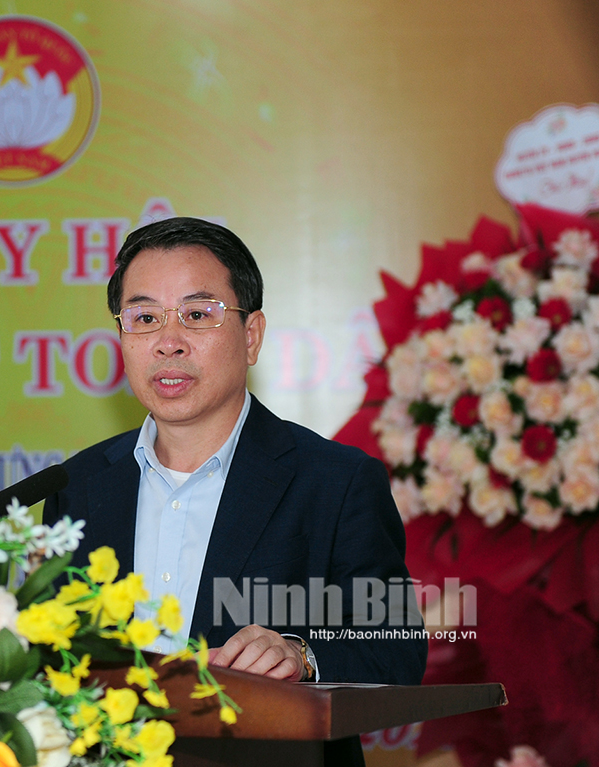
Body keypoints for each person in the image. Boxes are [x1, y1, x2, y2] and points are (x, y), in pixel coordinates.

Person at [42, 218, 426, 759]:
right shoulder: (78, 486)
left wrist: (302, 655)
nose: (168, 343)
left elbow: (395, 649)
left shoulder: (335, 482)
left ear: (251, 336)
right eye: (145, 318)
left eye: (198, 315)